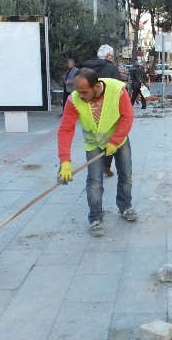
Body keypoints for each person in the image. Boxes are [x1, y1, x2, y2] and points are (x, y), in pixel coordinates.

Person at [57, 68, 137, 237]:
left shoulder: (117, 90)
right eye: (77, 91)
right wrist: (65, 161)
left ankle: (125, 206)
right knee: (94, 181)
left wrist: (114, 141)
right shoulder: (74, 100)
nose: (80, 96)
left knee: (126, 174)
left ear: (96, 86)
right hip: (93, 143)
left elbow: (127, 116)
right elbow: (65, 130)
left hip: (118, 139)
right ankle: (95, 218)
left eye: (84, 92)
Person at [83, 44, 123, 177]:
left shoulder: (86, 68)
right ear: (108, 56)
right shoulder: (111, 67)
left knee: (94, 139)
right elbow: (119, 89)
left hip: (90, 110)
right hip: (108, 109)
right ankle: (105, 165)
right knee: (110, 137)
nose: (112, 58)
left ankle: (96, 167)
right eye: (112, 56)